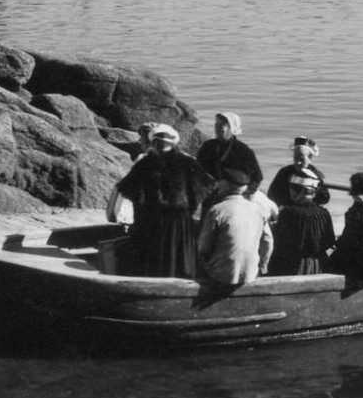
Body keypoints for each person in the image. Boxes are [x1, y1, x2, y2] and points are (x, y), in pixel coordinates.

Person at [110, 123, 206, 278]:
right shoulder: (189, 163)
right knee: (179, 261)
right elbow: (200, 193)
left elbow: (130, 192)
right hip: (180, 224)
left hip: (153, 223)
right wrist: (187, 211)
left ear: (153, 143)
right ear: (174, 143)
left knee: (154, 263)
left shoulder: (144, 164)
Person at [196, 164, 274, 289]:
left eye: (221, 182)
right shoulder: (258, 210)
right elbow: (268, 241)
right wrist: (263, 266)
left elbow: (203, 247)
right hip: (251, 273)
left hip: (221, 275)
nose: (218, 185)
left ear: (227, 184)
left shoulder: (217, 210)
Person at [268, 167, 337, 275]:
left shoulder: (289, 213)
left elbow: (280, 242)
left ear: (296, 191)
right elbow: (328, 242)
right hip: (318, 265)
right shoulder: (324, 213)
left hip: (291, 266)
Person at [197, 112, 262, 204]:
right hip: (210, 195)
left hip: (233, 197)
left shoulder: (243, 150)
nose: (218, 128)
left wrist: (246, 194)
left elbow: (257, 176)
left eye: (222, 125)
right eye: (216, 125)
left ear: (232, 128)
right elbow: (198, 169)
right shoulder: (208, 146)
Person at [266, 137, 325, 207]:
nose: (298, 162)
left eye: (301, 159)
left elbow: (325, 197)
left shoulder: (315, 174)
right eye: (295, 158)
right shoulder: (284, 172)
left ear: (310, 158)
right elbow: (271, 195)